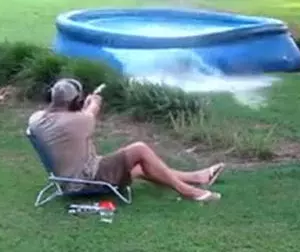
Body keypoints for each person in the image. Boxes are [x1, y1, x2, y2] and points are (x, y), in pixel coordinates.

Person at [28, 78, 225, 202]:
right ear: (76, 101)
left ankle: (197, 177)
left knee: (140, 168)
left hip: (68, 178)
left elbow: (72, 117)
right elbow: (90, 111)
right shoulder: (78, 120)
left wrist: (83, 105)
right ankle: (189, 192)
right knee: (139, 149)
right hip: (85, 180)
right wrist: (93, 101)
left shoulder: (36, 119)